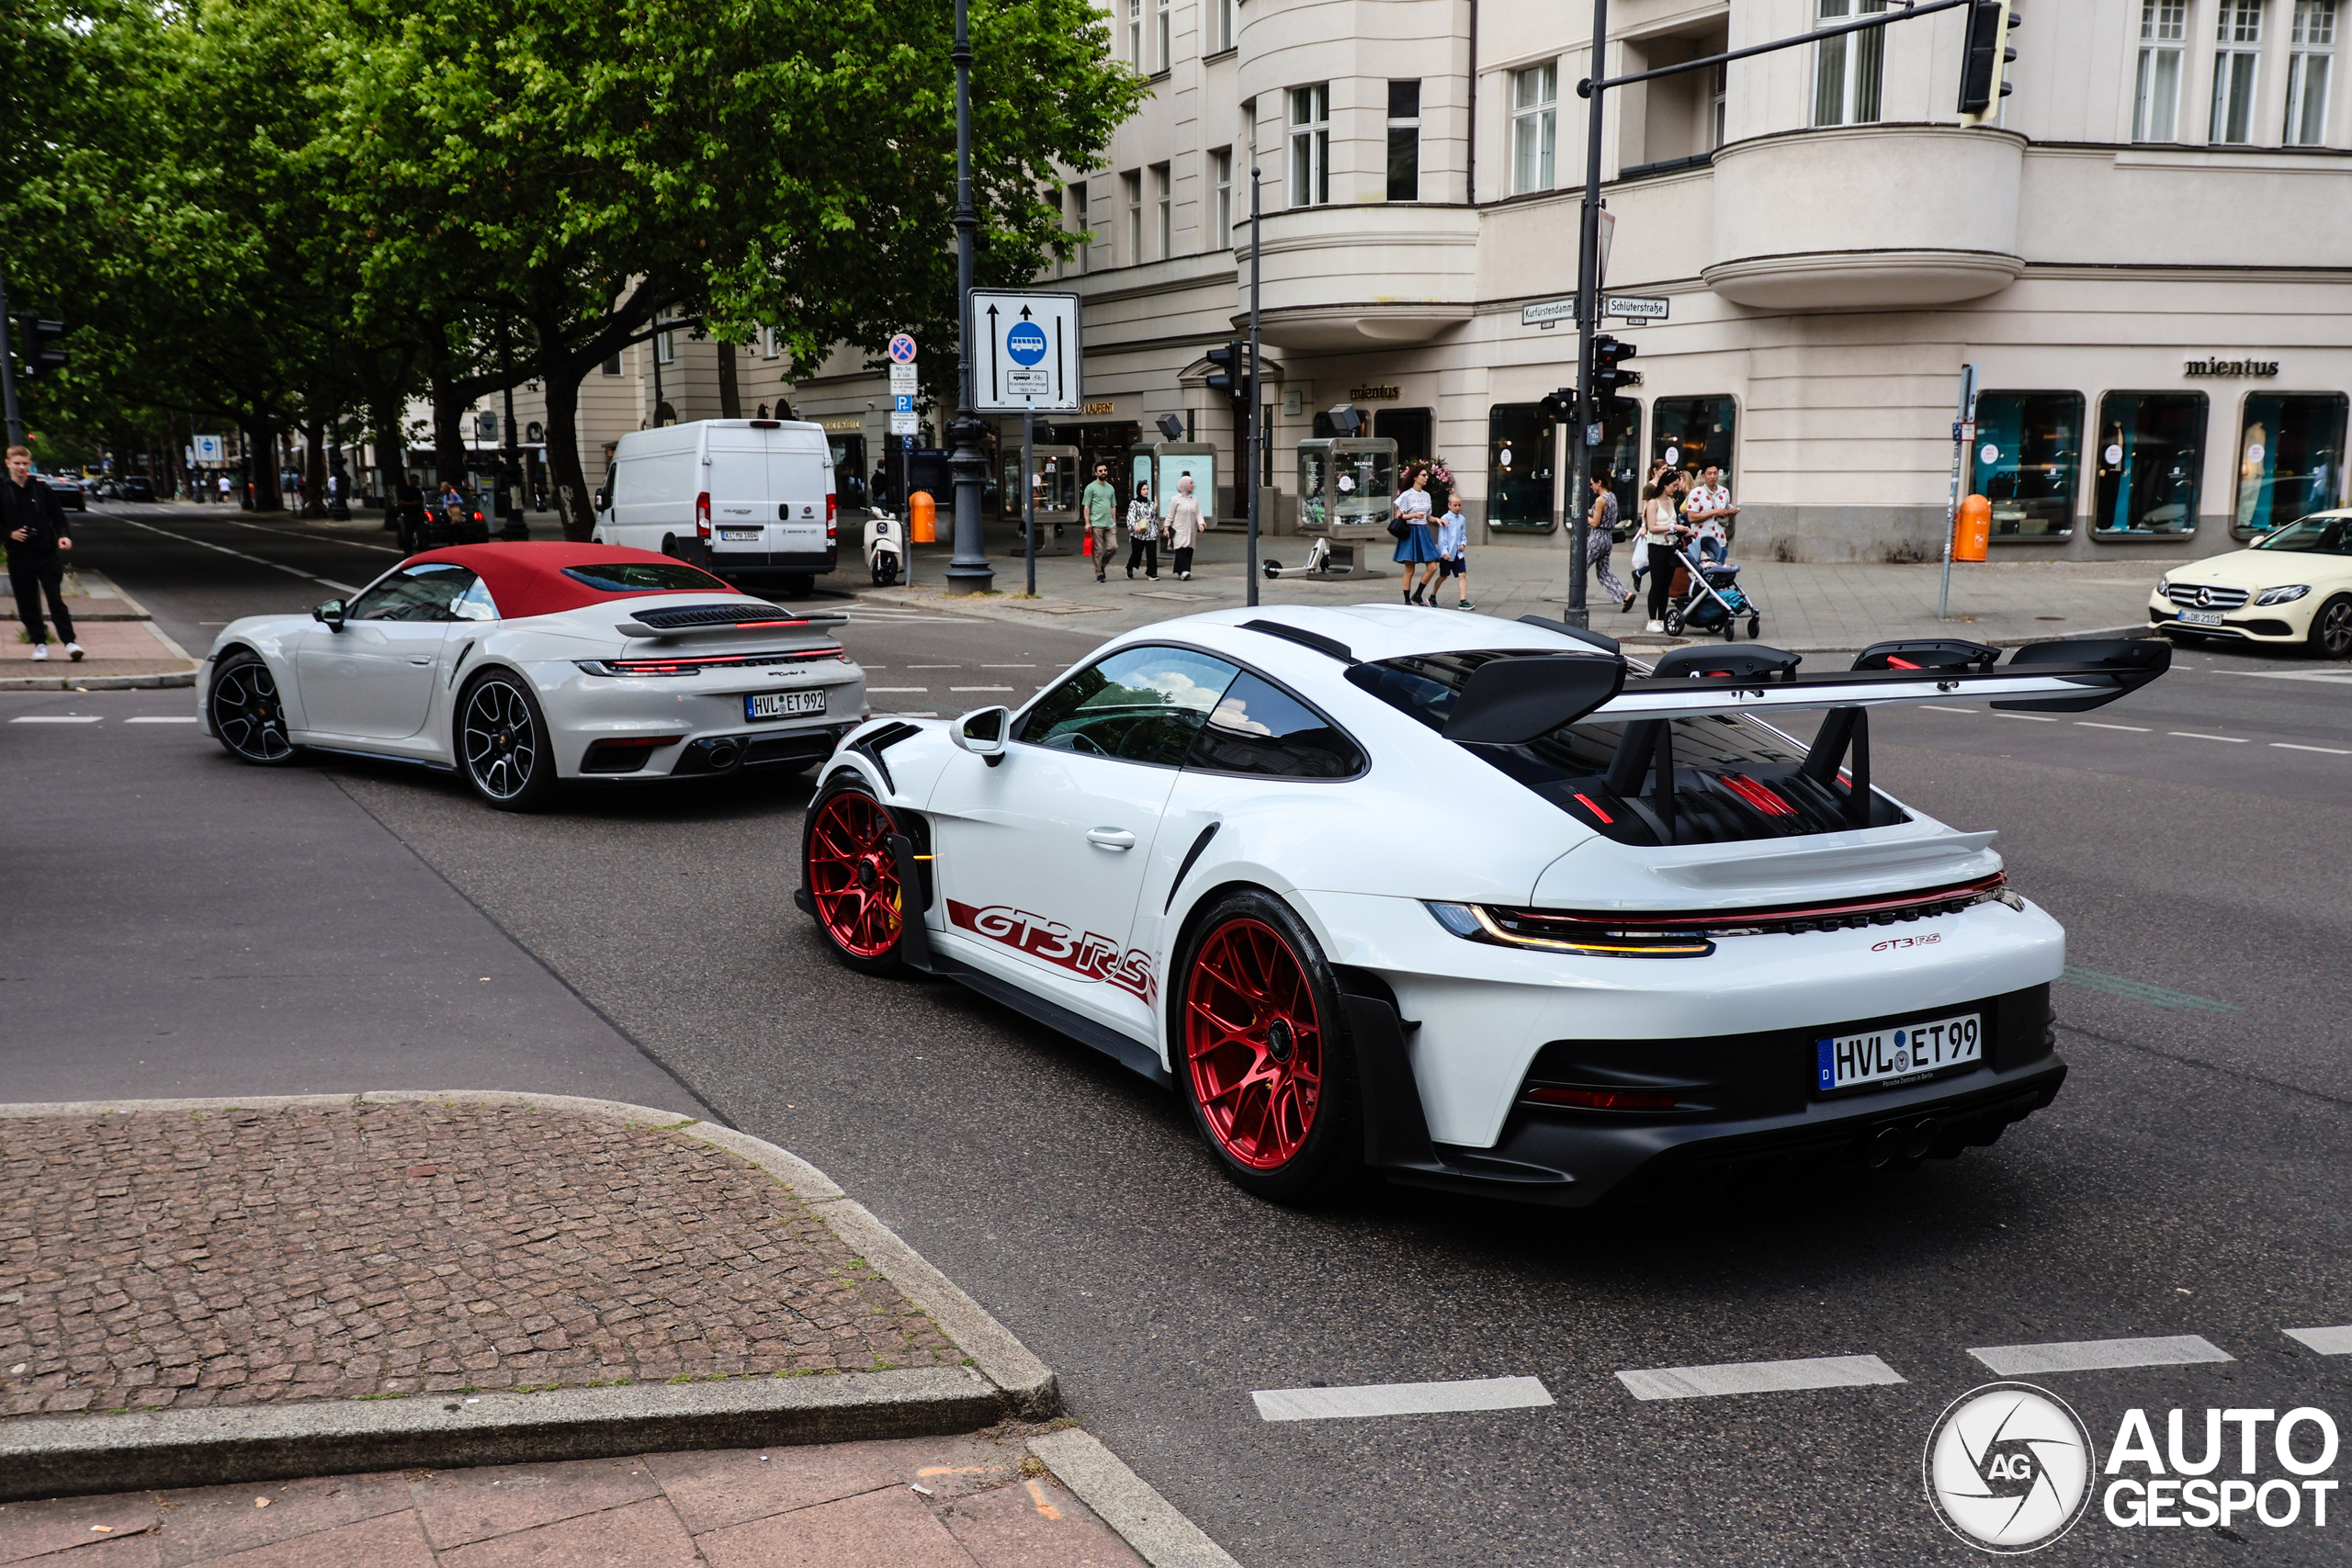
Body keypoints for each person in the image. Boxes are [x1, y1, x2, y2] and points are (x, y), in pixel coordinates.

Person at [4, 446, 83, 662]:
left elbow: (58, 517)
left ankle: (70, 642)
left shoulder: (42, 490)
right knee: (27, 601)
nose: (21, 467)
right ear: (8, 463)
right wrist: (9, 533)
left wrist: (63, 536)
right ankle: (39, 643)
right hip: (19, 555)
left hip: (46, 553)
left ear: (30, 464)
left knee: (55, 598)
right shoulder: (3, 491)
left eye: (25, 463)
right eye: (17, 463)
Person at [1638, 469, 1693, 632]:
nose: (1676, 488)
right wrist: (1673, 527)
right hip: (1656, 546)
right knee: (1657, 582)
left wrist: (1683, 530)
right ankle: (1652, 619)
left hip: (1670, 545)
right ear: (1665, 484)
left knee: (1666, 584)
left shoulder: (1670, 501)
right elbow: (1652, 527)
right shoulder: (1653, 503)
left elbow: (1674, 521)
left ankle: (1661, 618)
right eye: (1674, 485)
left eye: (1677, 485)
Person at [1587, 476, 1633, 614]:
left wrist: (1582, 514)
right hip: (1607, 538)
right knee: (1603, 572)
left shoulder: (1600, 499)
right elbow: (1602, 515)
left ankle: (1577, 601)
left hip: (1597, 538)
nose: (1591, 487)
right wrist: (1590, 512)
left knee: (1580, 567)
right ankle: (1626, 594)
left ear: (1599, 482)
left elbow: (1595, 522)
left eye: (1592, 484)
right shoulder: (1612, 497)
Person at [1391, 467, 1438, 604]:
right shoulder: (1406, 495)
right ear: (1415, 477)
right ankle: (1407, 599)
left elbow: (1428, 516)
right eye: (1423, 475)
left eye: (1426, 475)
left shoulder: (1427, 495)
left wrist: (1438, 520)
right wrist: (1414, 515)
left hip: (1423, 531)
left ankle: (1418, 594)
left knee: (1433, 566)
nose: (1426, 477)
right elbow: (1399, 516)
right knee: (1410, 568)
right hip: (1410, 531)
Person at [1684, 464, 1737, 565]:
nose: (1713, 476)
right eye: (1709, 473)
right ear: (1703, 476)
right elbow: (1691, 517)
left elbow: (1727, 507)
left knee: (1720, 573)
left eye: (1715, 473)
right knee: (1705, 574)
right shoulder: (1696, 493)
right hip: (1703, 542)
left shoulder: (1724, 491)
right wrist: (1714, 512)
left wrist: (1732, 512)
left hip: (1721, 541)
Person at [1433, 489, 1473, 609]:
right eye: (1455, 505)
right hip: (1448, 553)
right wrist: (1444, 552)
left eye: (1459, 505)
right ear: (1449, 505)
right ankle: (1432, 595)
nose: (1457, 508)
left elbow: (1463, 534)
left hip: (1458, 553)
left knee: (1462, 574)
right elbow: (1442, 538)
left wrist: (1463, 544)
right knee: (1443, 576)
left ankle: (1463, 600)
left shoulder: (1462, 519)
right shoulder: (1445, 518)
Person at [1081, 463, 1118, 582]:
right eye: (1100, 470)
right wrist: (1087, 522)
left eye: (1105, 470)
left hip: (1109, 522)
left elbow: (1113, 506)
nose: (1103, 472)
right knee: (1097, 550)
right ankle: (1099, 572)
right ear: (1096, 473)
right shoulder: (1090, 488)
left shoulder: (1110, 488)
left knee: (1113, 547)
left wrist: (1114, 521)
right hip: (1096, 523)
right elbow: (1086, 506)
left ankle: (1102, 564)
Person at [1165, 473, 1203, 580]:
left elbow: (1198, 513)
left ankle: (1181, 570)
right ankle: (1184, 571)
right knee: (1181, 549)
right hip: (1179, 529)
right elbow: (1170, 514)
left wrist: (1201, 523)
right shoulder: (1175, 499)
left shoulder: (1194, 499)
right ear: (1185, 484)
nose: (1193, 485)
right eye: (1191, 483)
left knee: (1189, 549)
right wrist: (1166, 527)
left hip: (1190, 529)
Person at [1125, 480, 1159, 580]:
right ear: (1139, 490)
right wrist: (1134, 526)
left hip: (1150, 531)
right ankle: (1130, 566)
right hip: (1138, 532)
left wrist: (1156, 531)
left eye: (1147, 489)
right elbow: (1130, 516)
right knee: (1136, 553)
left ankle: (1152, 572)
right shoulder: (1134, 503)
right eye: (1143, 489)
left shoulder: (1151, 504)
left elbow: (1153, 518)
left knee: (1152, 552)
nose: (1146, 491)